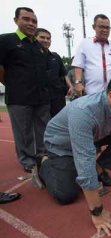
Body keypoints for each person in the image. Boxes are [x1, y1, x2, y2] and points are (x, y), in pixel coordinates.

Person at [31, 70, 111, 236]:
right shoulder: (83, 112)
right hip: (60, 144)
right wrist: (98, 213)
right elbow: (84, 162)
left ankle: (99, 169)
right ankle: (43, 163)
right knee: (66, 194)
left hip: (92, 136)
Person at [72, 14, 111, 180]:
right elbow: (78, 65)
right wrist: (78, 82)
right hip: (91, 98)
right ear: (94, 27)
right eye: (101, 27)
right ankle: (87, 174)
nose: (104, 30)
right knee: (89, 135)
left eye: (107, 27)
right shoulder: (84, 44)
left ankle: (101, 167)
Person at [0, 7, 50, 173]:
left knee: (43, 129)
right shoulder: (6, 40)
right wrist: (12, 84)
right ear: (16, 20)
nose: (31, 23)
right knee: (23, 132)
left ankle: (42, 156)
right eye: (26, 19)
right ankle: (27, 160)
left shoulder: (39, 46)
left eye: (34, 21)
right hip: (18, 97)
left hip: (41, 97)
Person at [35, 28, 73, 117]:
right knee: (42, 125)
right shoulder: (31, 57)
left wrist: (70, 86)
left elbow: (63, 73)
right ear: (34, 38)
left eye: (48, 38)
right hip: (40, 98)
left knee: (59, 123)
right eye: (42, 37)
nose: (45, 40)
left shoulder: (55, 56)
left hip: (57, 97)